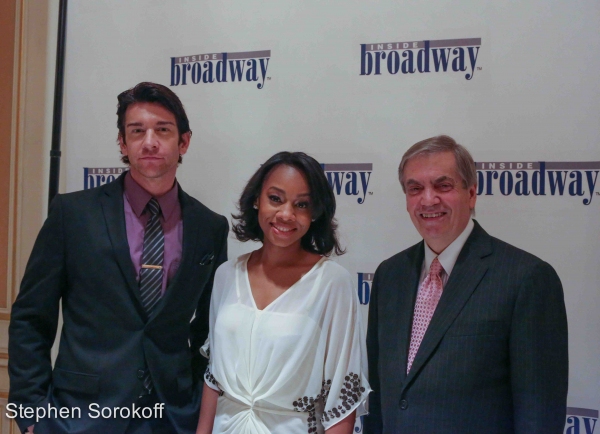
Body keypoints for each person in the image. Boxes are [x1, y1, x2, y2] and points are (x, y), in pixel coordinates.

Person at [8, 82, 228, 433]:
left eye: (163, 130)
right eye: (137, 131)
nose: (150, 141)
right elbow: (31, 319)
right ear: (123, 144)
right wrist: (32, 414)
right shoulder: (73, 214)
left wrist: (194, 411)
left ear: (183, 141)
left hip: (170, 419)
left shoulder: (210, 227)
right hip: (79, 417)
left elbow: (208, 333)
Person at [364, 135, 568, 434]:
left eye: (443, 186)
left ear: (471, 193)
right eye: (415, 188)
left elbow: (539, 413)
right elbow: (380, 395)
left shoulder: (527, 278)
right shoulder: (390, 275)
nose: (428, 199)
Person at [196, 151, 370, 434]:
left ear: (315, 214)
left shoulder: (332, 283)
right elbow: (214, 377)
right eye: (275, 199)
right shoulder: (227, 275)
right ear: (256, 200)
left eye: (302, 204)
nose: (286, 214)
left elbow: (342, 397)